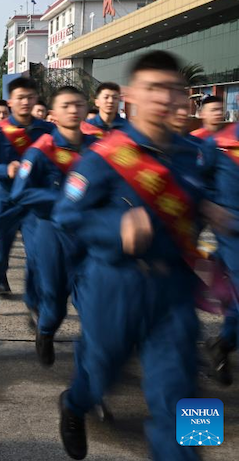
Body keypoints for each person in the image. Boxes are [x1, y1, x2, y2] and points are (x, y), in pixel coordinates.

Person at [54, 51, 228, 461]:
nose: (165, 99)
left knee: (185, 394)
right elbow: (66, 214)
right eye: (154, 89)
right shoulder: (105, 155)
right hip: (115, 285)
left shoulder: (194, 153)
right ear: (132, 94)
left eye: (175, 90)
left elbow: (200, 197)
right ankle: (73, 403)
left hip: (174, 290)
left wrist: (211, 210)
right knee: (99, 377)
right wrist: (116, 229)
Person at [8, 87, 96, 366]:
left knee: (94, 305)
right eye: (66, 105)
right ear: (53, 114)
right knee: (55, 301)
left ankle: (93, 369)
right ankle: (45, 331)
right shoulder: (41, 151)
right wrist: (62, 200)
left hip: (90, 232)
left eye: (78, 104)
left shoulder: (97, 148)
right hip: (51, 232)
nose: (73, 110)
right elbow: (19, 193)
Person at [0, 79, 53, 312]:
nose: (25, 102)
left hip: (35, 203)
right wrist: (5, 169)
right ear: (11, 101)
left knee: (37, 256)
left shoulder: (47, 130)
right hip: (6, 200)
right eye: (20, 98)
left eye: (30, 97)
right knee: (0, 253)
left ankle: (34, 305)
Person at [200, 114, 239, 386]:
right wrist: (211, 209)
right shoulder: (219, 145)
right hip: (231, 234)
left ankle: (223, 343)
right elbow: (196, 186)